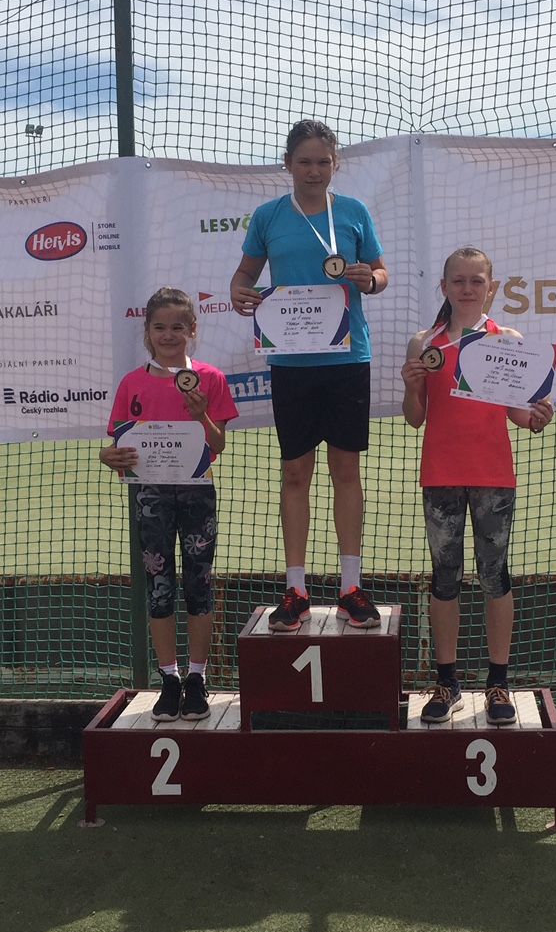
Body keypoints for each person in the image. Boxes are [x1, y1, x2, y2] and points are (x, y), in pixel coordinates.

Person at [230, 119, 389, 632]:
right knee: (296, 473)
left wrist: (370, 278)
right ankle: (295, 590)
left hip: (347, 359)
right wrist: (238, 291)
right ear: (287, 164)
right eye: (304, 161)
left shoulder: (354, 211)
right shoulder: (268, 215)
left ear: (335, 164)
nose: (314, 170)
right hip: (292, 362)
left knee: (347, 472)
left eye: (323, 161)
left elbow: (380, 273)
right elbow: (245, 274)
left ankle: (350, 588)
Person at [400, 246, 554, 725]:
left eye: (476, 280)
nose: (467, 289)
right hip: (441, 474)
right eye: (458, 280)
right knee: (444, 578)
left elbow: (519, 414)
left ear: (492, 287)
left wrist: (539, 416)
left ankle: (498, 684)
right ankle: (446, 682)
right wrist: (411, 385)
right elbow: (415, 418)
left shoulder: (507, 340)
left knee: (495, 576)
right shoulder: (424, 343)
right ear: (443, 287)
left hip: (493, 476)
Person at [100, 287, 239, 721]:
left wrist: (201, 415)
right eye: (159, 327)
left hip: (197, 494)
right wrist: (108, 456)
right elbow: (117, 445)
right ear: (147, 331)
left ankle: (196, 678)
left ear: (192, 330)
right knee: (159, 587)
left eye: (178, 327)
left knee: (199, 584)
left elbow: (217, 445)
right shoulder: (132, 383)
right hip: (151, 497)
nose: (168, 335)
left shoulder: (210, 379)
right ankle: (169, 679)